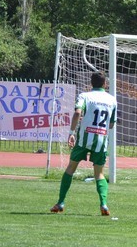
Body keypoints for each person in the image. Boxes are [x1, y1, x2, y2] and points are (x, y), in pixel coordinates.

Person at [51, 72, 118, 216]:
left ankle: (61, 202)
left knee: (70, 168)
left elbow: (77, 113)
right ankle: (104, 204)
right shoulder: (112, 100)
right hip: (101, 140)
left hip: (83, 140)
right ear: (105, 84)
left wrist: (71, 133)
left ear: (91, 83)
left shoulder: (85, 96)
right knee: (99, 174)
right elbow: (112, 124)